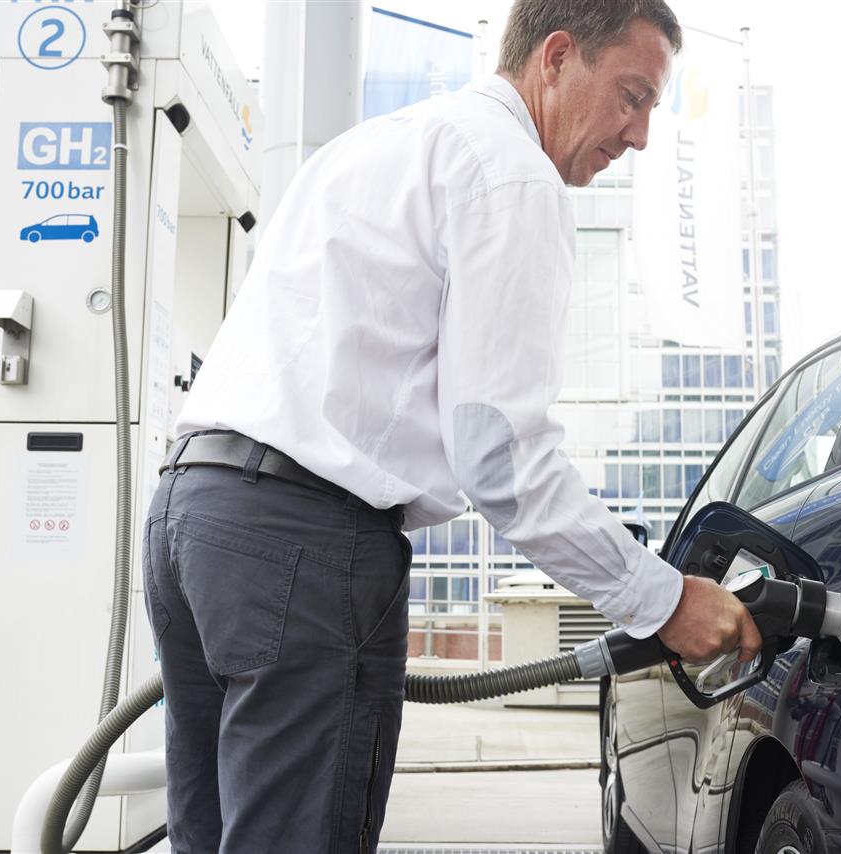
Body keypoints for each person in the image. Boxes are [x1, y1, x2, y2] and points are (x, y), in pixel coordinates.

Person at [142, 1, 762, 850]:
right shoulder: (511, 173)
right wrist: (664, 600)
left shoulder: (369, 147)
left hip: (191, 516)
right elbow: (501, 461)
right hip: (302, 547)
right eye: (632, 96)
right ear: (556, 58)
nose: (642, 135)